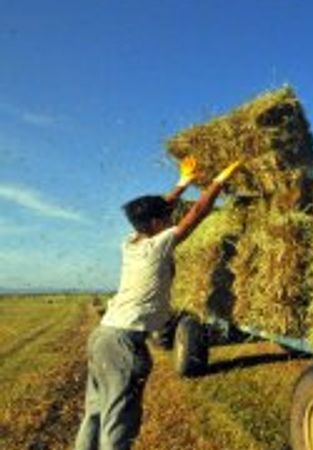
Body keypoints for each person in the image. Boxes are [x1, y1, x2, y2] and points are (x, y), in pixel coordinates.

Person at [74, 157, 241, 450]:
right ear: (155, 224)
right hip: (124, 343)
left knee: (95, 413)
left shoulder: (131, 242)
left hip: (102, 336)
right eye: (165, 217)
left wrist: (182, 184)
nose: (171, 218)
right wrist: (220, 179)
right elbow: (198, 213)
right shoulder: (158, 245)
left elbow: (155, 211)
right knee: (119, 421)